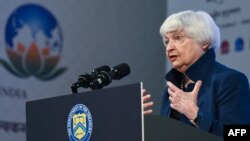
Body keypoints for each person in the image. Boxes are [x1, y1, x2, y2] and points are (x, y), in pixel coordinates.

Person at [143, 10, 250, 137]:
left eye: (178, 38)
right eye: (167, 41)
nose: (169, 47)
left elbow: (241, 134)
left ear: (204, 41)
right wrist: (142, 123)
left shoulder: (229, 80)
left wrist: (195, 115)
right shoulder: (172, 88)